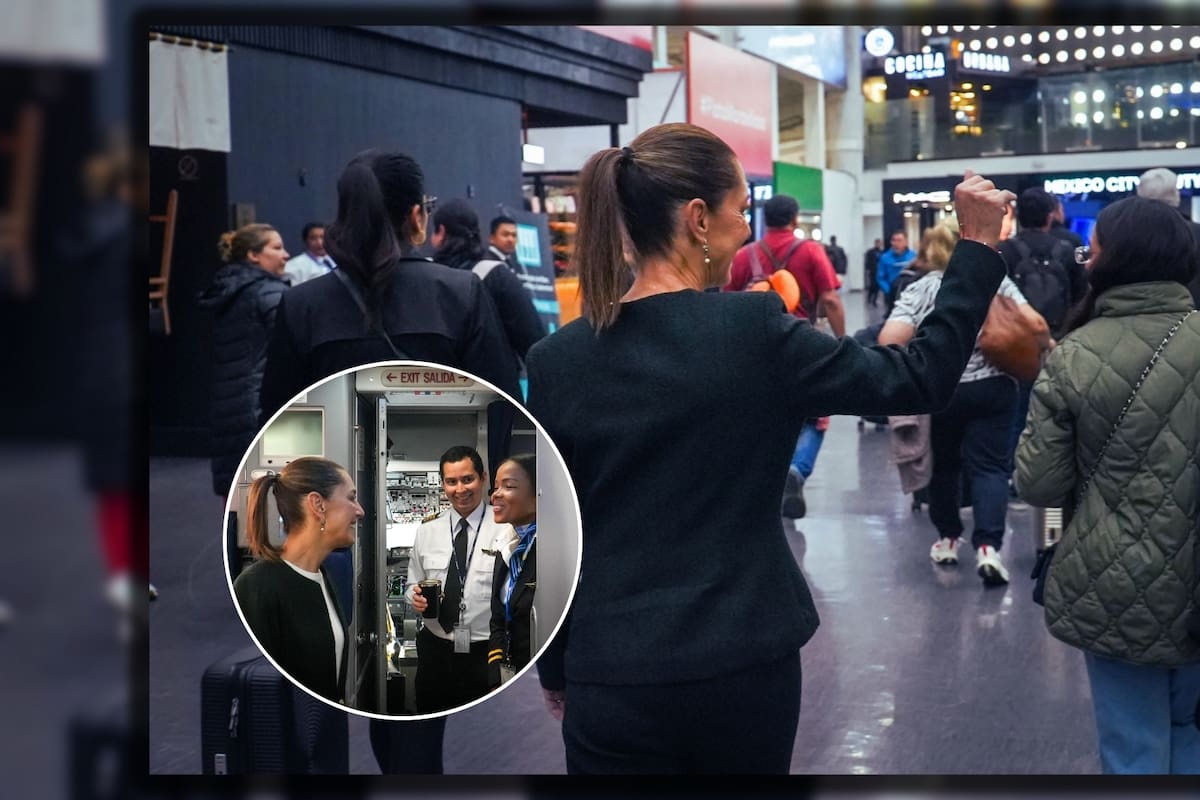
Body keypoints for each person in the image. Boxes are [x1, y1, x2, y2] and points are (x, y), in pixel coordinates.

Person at [523, 122, 1014, 774]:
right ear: (698, 219)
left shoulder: (558, 360)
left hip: (610, 669)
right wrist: (976, 248)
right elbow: (919, 376)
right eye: (738, 212)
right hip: (743, 659)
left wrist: (557, 664)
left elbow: (552, 530)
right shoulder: (753, 332)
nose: (746, 231)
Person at [1015, 195, 1200, 774]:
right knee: (1189, 730)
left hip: (1117, 580)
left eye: (1089, 252)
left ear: (1111, 263)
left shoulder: (1074, 355)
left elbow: (1041, 483)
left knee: (1132, 745)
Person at [258, 149, 521, 423]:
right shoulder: (460, 292)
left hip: (336, 461)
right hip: (447, 460)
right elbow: (503, 410)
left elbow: (277, 419)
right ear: (416, 216)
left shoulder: (302, 304)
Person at [878, 221, 1043, 586]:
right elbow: (1036, 323)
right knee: (991, 468)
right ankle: (988, 548)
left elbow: (889, 339)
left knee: (945, 467)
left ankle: (948, 539)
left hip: (941, 391)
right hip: (994, 388)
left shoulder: (923, 287)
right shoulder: (995, 281)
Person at [723, 194, 845, 519]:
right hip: (801, 344)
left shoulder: (744, 255)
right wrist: (842, 341)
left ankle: (761, 479)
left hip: (753, 347)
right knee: (815, 416)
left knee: (762, 412)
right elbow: (831, 299)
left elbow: (726, 301)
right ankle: (796, 470)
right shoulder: (809, 252)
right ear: (793, 219)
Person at [233, 457, 363, 702]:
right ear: (318, 504)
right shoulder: (257, 587)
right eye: (351, 498)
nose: (360, 510)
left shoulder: (326, 575)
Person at [406, 446, 514, 713]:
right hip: (435, 650)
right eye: (451, 481)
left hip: (485, 651)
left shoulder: (507, 528)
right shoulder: (427, 530)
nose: (460, 489)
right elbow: (412, 584)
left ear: (484, 478)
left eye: (468, 479)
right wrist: (415, 597)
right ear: (443, 484)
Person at [997, 187, 1089, 492]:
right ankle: (1061, 471)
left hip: (1017, 342)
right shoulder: (1072, 245)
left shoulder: (1006, 251)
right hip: (1061, 339)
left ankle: (1014, 474)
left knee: (1018, 411)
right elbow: (1082, 294)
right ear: (1051, 215)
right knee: (1063, 409)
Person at [198, 224, 290, 498]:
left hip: (229, 405)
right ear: (253, 255)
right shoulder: (268, 293)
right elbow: (288, 347)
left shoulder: (226, 291)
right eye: (276, 247)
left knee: (242, 505)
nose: (285, 255)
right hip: (260, 406)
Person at [431, 199, 547, 369]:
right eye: (505, 234)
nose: (510, 240)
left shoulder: (424, 279)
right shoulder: (495, 275)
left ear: (440, 232)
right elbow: (532, 339)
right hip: (492, 385)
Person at [487, 453, 538, 686]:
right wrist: (496, 664)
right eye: (496, 486)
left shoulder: (555, 551)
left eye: (508, 486)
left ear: (538, 494)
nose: (495, 494)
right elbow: (498, 618)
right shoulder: (505, 546)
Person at [1137, 167, 1200, 307]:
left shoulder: (1126, 233)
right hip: (1191, 309)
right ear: (1174, 195)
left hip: (1142, 309)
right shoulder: (1195, 232)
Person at [283, 222, 336, 286]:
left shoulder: (338, 260)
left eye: (322, 237)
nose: (319, 243)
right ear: (306, 241)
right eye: (313, 238)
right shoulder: (293, 266)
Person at [876, 230, 917, 314]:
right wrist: (889, 291)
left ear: (906, 242)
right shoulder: (885, 258)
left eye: (899, 240)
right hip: (892, 295)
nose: (896, 243)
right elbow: (881, 277)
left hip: (911, 295)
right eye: (893, 240)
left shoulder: (914, 256)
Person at [864, 237, 885, 307]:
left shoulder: (882, 252)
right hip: (873, 271)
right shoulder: (870, 252)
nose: (879, 244)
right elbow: (867, 262)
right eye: (878, 243)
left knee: (877, 286)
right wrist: (868, 269)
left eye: (880, 243)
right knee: (872, 285)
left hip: (880, 271)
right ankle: (870, 297)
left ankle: (874, 300)